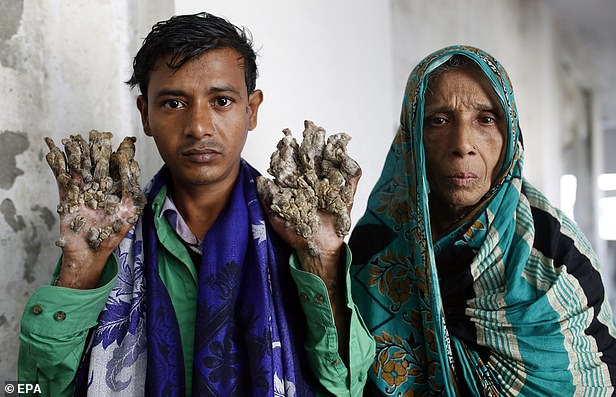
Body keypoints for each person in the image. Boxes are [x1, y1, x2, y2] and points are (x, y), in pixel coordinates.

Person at [18, 12, 374, 396]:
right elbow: (33, 388)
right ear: (146, 115)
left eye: (221, 100)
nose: (198, 126)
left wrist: (321, 260)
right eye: (173, 103)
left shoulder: (297, 229)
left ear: (251, 110)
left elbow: (347, 385)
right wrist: (77, 272)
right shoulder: (106, 233)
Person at [348, 45, 616, 395]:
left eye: (485, 119)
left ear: (510, 136)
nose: (462, 144)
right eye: (438, 120)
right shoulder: (377, 244)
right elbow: (343, 372)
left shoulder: (552, 251)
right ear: (412, 138)